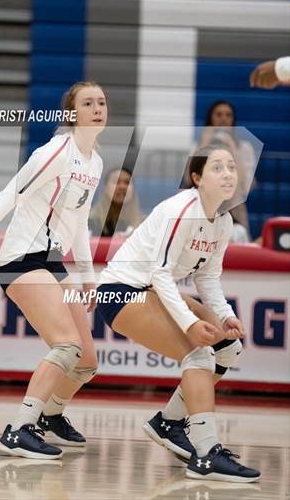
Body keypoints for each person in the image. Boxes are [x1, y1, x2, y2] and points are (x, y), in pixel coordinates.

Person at [0, 81, 107, 460]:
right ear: (71, 114)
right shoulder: (55, 152)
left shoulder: (94, 161)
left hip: (52, 261)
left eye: (102, 102)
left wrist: (88, 277)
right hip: (20, 260)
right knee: (66, 345)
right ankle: (17, 430)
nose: (97, 108)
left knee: (86, 363)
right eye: (88, 103)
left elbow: (79, 224)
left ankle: (50, 416)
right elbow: (7, 196)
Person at [95, 144, 261, 482]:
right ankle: (206, 453)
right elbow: (159, 273)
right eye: (217, 167)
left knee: (228, 347)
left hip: (152, 290)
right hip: (122, 291)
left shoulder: (224, 222)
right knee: (199, 355)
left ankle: (169, 423)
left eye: (231, 166)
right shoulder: (183, 210)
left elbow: (207, 277)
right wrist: (191, 322)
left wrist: (224, 315)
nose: (228, 173)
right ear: (197, 178)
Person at [196, 100, 255, 238]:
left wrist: (232, 149)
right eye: (219, 114)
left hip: (234, 211)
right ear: (210, 118)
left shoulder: (244, 148)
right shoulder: (198, 145)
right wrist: (204, 144)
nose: (224, 118)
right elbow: (189, 177)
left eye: (228, 115)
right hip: (203, 210)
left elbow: (245, 185)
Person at [89, 167, 143, 237]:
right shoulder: (90, 222)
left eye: (127, 182)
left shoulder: (144, 224)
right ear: (105, 188)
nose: (122, 187)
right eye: (116, 182)